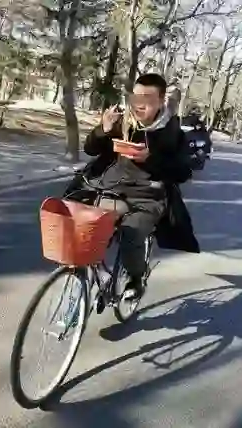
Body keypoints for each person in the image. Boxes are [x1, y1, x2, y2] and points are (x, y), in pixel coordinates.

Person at [65, 73, 199, 300]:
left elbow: (183, 172)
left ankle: (136, 279)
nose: (139, 104)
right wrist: (103, 129)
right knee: (83, 224)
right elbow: (90, 149)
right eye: (136, 97)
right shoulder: (121, 122)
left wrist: (150, 158)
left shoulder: (172, 132)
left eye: (147, 98)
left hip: (147, 196)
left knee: (132, 233)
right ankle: (93, 273)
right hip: (110, 189)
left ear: (161, 101)